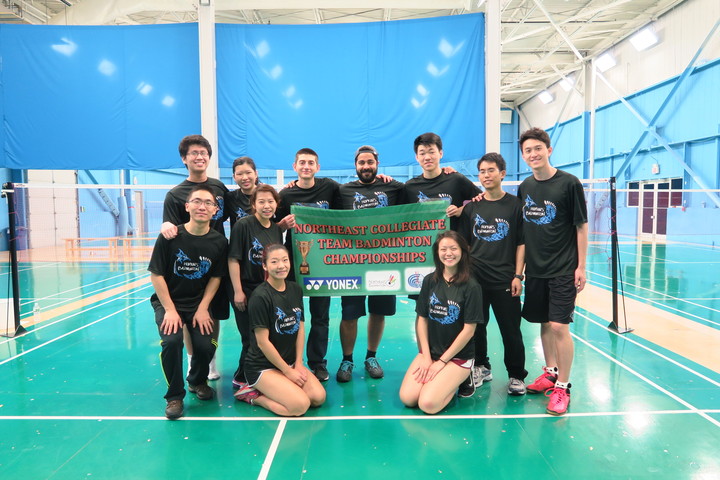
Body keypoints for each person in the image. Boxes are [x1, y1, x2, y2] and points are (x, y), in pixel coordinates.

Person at [517, 127, 588, 416]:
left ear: (549, 150)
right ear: (523, 156)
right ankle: (550, 372)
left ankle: (563, 386)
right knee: (544, 323)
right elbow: (521, 231)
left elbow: (581, 226)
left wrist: (581, 266)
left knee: (559, 325)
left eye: (537, 148)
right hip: (536, 269)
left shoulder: (569, 183)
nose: (533, 154)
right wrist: (520, 271)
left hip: (563, 268)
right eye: (527, 151)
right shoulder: (525, 187)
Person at [149, 185, 228, 419]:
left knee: (206, 345)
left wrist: (204, 307)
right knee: (172, 343)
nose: (202, 206)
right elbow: (157, 274)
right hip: (168, 303)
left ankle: (197, 381)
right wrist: (170, 310)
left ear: (215, 210)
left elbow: (216, 277)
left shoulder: (219, 242)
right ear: (187, 206)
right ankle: (174, 396)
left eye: (208, 203)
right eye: (196, 201)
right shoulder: (170, 237)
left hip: (198, 304)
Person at [334, 145, 406, 382]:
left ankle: (371, 357)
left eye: (370, 162)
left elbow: (418, 195)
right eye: (361, 163)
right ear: (355, 165)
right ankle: (347, 360)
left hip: (384, 263)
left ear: (377, 163)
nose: (366, 166)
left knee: (378, 312)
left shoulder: (394, 187)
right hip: (352, 264)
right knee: (349, 315)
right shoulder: (343, 191)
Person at [161, 135, 229, 381]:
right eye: (194, 153)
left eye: (203, 153)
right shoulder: (175, 194)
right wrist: (165, 225)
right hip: (187, 269)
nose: (199, 157)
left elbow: (238, 211)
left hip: (216, 261)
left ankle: (208, 360)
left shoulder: (219, 188)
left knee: (213, 315)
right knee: (190, 317)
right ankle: (193, 362)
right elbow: (169, 224)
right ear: (184, 159)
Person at [460, 152, 528, 396]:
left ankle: (516, 375)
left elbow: (522, 243)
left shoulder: (515, 206)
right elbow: (465, 245)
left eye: (490, 170)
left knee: (511, 330)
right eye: (482, 171)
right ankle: (481, 366)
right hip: (476, 279)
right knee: (477, 328)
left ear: (502, 173)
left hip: (505, 280)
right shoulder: (472, 208)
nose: (486, 175)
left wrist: (518, 276)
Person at [234, 244, 326, 416]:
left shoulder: (295, 289)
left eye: (285, 260)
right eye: (274, 262)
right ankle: (252, 395)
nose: (281, 266)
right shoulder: (260, 297)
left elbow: (300, 328)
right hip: (262, 367)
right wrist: (287, 371)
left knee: (318, 398)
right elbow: (263, 342)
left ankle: (283, 381)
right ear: (265, 266)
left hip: (290, 362)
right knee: (300, 406)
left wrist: (298, 363)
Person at [398, 231, 482, 414]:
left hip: (458, 357)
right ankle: (440, 383)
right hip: (432, 353)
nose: (448, 253)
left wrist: (441, 362)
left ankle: (459, 380)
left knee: (427, 405)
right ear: (437, 253)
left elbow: (469, 330)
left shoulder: (472, 286)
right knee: (408, 398)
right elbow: (422, 319)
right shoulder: (430, 281)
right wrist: (427, 357)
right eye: (443, 249)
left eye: (453, 248)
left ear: (462, 252)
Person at [274, 148, 339, 382]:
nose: (306, 166)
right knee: (293, 315)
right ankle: (291, 361)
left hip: (323, 265)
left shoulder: (330, 188)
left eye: (311, 162)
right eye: (302, 162)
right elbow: (273, 227)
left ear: (317, 167)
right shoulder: (286, 194)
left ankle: (318, 363)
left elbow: (350, 206)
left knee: (321, 316)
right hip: (294, 267)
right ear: (295, 166)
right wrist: (282, 224)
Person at [228, 184, 283, 389]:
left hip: (265, 291)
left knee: (265, 336)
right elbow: (234, 259)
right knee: (250, 338)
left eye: (270, 201)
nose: (266, 206)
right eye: (261, 201)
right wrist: (238, 291)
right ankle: (242, 378)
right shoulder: (243, 225)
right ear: (253, 204)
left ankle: (261, 375)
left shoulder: (277, 229)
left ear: (276, 204)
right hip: (246, 289)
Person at [404, 132, 481, 231]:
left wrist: (461, 210)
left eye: (431, 152)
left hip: (453, 244)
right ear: (417, 157)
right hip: (423, 244)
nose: (427, 157)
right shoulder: (410, 187)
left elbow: (483, 201)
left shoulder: (456, 180)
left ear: (441, 153)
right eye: (422, 153)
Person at [226, 156, 260, 228]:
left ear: (256, 174)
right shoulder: (230, 198)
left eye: (248, 172)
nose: (244, 178)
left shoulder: (267, 195)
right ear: (234, 177)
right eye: (239, 174)